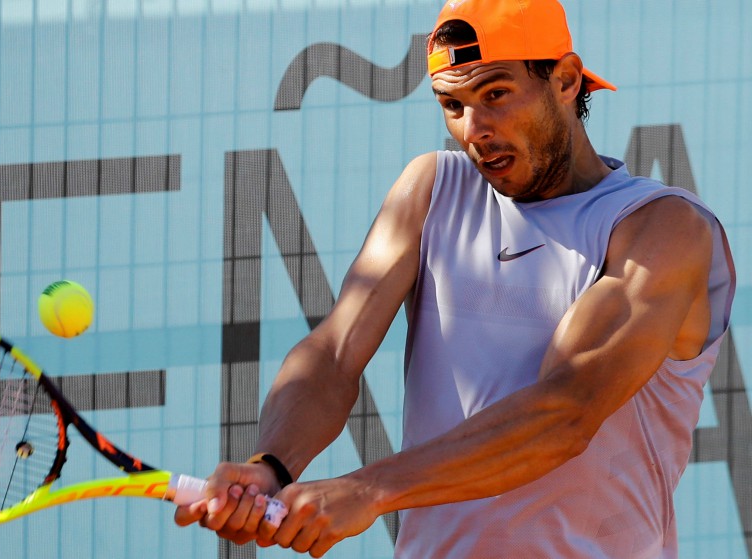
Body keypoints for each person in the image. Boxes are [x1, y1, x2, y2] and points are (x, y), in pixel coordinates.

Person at [175, 0, 737, 556]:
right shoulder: (430, 188)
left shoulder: (663, 228)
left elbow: (564, 414)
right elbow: (335, 352)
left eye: (495, 94)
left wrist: (367, 490)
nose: (475, 129)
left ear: (565, 80)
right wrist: (271, 465)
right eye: (452, 103)